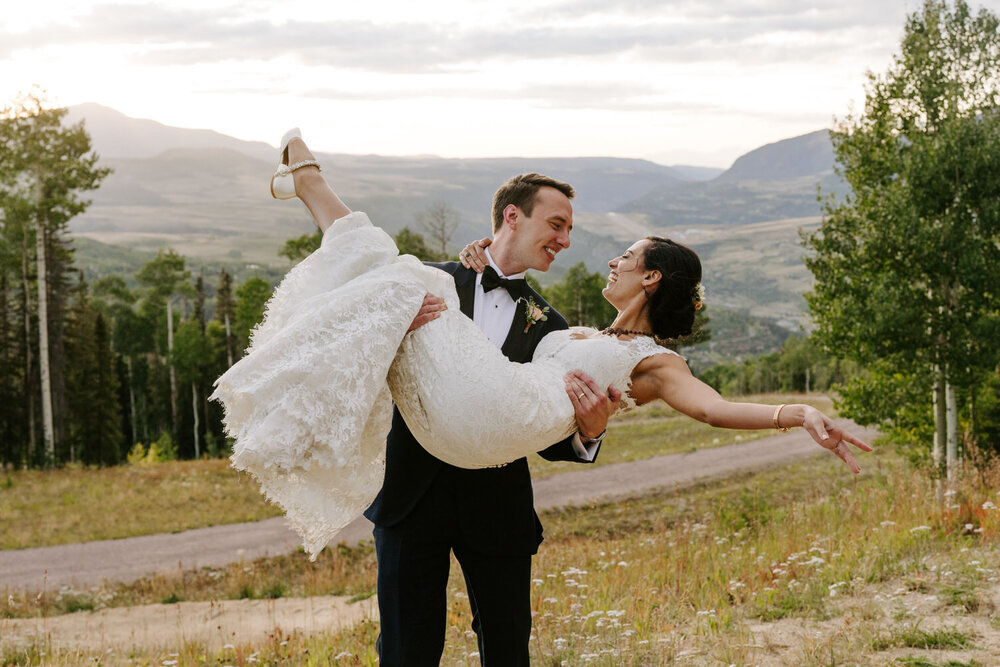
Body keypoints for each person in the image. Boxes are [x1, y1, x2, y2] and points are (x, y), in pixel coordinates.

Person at [211, 130, 871, 666]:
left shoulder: (556, 326)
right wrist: (393, 330)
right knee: (407, 652)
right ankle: (308, 199)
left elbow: (693, 406)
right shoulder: (448, 280)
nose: (571, 242)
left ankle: (310, 183)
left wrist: (592, 430)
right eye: (556, 224)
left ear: (649, 275)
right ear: (511, 217)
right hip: (416, 493)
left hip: (494, 490)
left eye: (608, 247)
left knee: (509, 651)